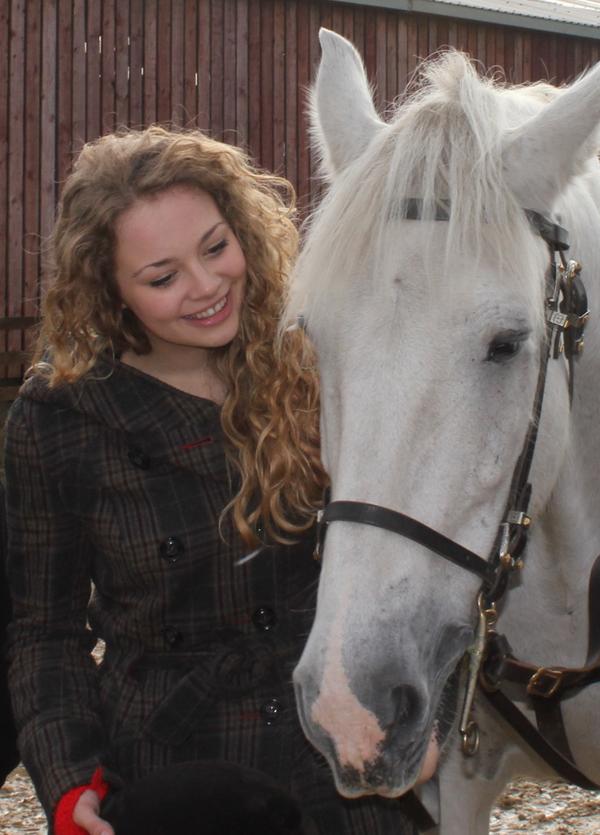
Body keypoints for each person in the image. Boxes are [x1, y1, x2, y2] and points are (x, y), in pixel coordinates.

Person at [4, 126, 418, 835]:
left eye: (216, 247)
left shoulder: (318, 352)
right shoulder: (60, 416)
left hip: (348, 756)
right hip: (183, 778)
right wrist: (71, 781)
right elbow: (43, 631)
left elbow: (411, 563)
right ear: (108, 288)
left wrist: (421, 710)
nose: (206, 287)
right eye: (162, 277)